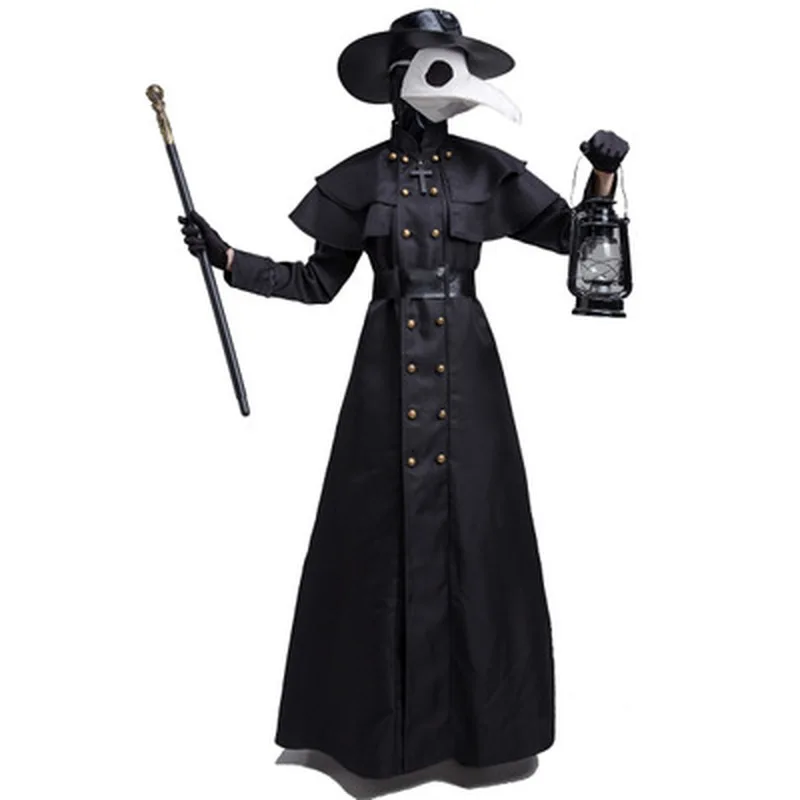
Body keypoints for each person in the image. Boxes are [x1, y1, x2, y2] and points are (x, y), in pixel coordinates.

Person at [179, 8, 629, 781]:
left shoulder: (487, 168)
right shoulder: (362, 176)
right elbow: (317, 282)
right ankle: (372, 736)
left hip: (470, 370)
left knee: (478, 530)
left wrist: (602, 179)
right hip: (383, 370)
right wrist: (227, 258)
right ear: (399, 80)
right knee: (372, 535)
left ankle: (481, 734)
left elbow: (574, 238)